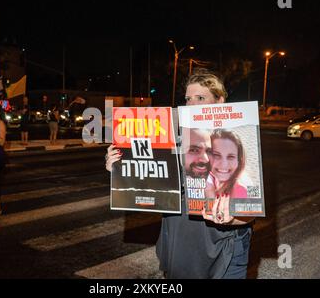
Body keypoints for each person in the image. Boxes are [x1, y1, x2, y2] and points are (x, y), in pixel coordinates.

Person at [105, 68, 254, 279]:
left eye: (200, 98)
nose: (191, 105)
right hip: (180, 248)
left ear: (219, 101)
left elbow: (250, 212)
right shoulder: (171, 139)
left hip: (224, 250)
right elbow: (147, 185)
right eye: (188, 99)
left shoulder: (237, 142)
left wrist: (231, 219)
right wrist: (119, 167)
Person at [205, 129, 248, 199]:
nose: (224, 164)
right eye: (216, 155)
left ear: (239, 160)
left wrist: (210, 194)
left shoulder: (243, 190)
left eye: (231, 157)